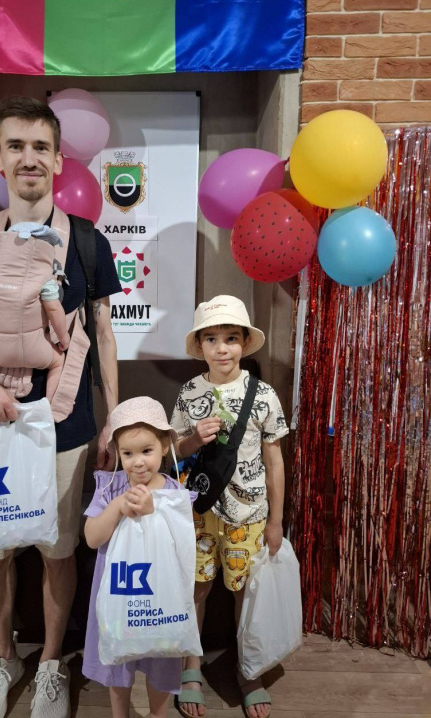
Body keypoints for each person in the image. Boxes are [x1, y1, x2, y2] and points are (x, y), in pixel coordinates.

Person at [0, 96, 122, 718]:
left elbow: (104, 334)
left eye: (41, 147)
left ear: (60, 160)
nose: (29, 158)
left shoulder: (88, 244)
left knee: (58, 551)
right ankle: (3, 658)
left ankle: (50, 666)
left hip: (65, 425)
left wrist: (114, 418)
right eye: (16, 146)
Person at [170, 295, 288, 718]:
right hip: (198, 513)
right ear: (200, 345)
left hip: (250, 516)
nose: (222, 348)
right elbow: (173, 452)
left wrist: (276, 521)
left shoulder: (264, 395)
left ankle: (249, 669)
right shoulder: (190, 392)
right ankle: (190, 667)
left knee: (246, 595)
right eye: (212, 339)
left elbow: (275, 461)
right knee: (196, 588)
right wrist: (192, 439)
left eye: (231, 338)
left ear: (244, 343)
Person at [82, 397, 197, 718]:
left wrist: (155, 509)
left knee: (162, 666)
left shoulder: (175, 495)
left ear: (164, 446)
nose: (137, 463)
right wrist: (118, 507)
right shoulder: (110, 488)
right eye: (128, 454)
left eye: (146, 451)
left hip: (161, 602)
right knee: (118, 666)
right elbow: (92, 538)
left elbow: (182, 544)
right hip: (120, 598)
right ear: (117, 453)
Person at [0, 221, 70, 401]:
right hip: (33, 350)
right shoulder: (44, 279)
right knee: (58, 362)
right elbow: (54, 309)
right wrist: (63, 337)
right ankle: (50, 405)